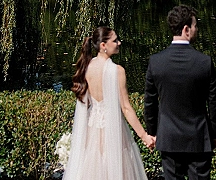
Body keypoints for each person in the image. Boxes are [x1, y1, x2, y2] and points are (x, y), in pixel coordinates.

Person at [62, 26, 156, 180]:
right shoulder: (117, 71)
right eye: (115, 40)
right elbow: (126, 108)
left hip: (92, 132)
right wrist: (144, 136)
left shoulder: (87, 67)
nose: (119, 43)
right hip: (113, 131)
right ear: (103, 45)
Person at [144, 5, 216, 180]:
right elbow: (214, 102)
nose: (196, 29)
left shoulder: (156, 62)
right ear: (186, 29)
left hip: (169, 136)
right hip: (199, 136)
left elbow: (150, 101)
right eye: (195, 26)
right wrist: (215, 133)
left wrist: (152, 131)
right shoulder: (204, 62)